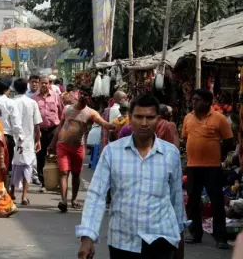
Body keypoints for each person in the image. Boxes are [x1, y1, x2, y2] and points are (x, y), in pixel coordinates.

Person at [77, 94, 186, 259]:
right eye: (139, 117)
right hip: (122, 241)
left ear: (157, 119)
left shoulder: (171, 154)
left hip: (161, 239)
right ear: (129, 118)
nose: (144, 123)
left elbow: (176, 199)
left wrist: (180, 240)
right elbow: (96, 195)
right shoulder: (112, 152)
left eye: (149, 117)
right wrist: (87, 236)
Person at [49, 86, 114, 212]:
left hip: (78, 147)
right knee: (64, 173)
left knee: (76, 174)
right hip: (62, 145)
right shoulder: (67, 109)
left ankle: (73, 199)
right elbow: (59, 127)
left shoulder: (91, 113)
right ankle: (63, 201)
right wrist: (52, 143)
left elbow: (104, 124)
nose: (83, 97)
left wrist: (118, 124)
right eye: (82, 95)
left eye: (86, 96)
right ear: (78, 95)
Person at [183, 88, 233, 249]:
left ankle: (221, 238)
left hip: (212, 167)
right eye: (193, 99)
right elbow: (185, 138)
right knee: (192, 202)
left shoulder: (219, 118)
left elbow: (228, 141)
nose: (194, 102)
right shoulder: (188, 118)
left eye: (197, 99)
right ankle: (195, 233)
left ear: (207, 102)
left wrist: (218, 156)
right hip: (192, 167)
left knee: (217, 202)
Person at [10, 78, 42, 205]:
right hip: (28, 139)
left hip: (15, 139)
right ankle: (24, 196)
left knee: (14, 166)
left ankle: (12, 192)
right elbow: (37, 124)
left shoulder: (11, 103)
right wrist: (38, 140)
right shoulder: (32, 103)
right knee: (27, 166)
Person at [31, 75, 64, 192]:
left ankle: (57, 183)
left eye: (46, 83)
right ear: (39, 83)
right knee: (40, 156)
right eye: (42, 83)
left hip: (53, 130)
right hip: (39, 131)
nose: (44, 85)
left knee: (55, 156)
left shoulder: (56, 96)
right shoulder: (33, 98)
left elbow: (61, 113)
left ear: (49, 84)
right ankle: (43, 183)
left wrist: (61, 129)